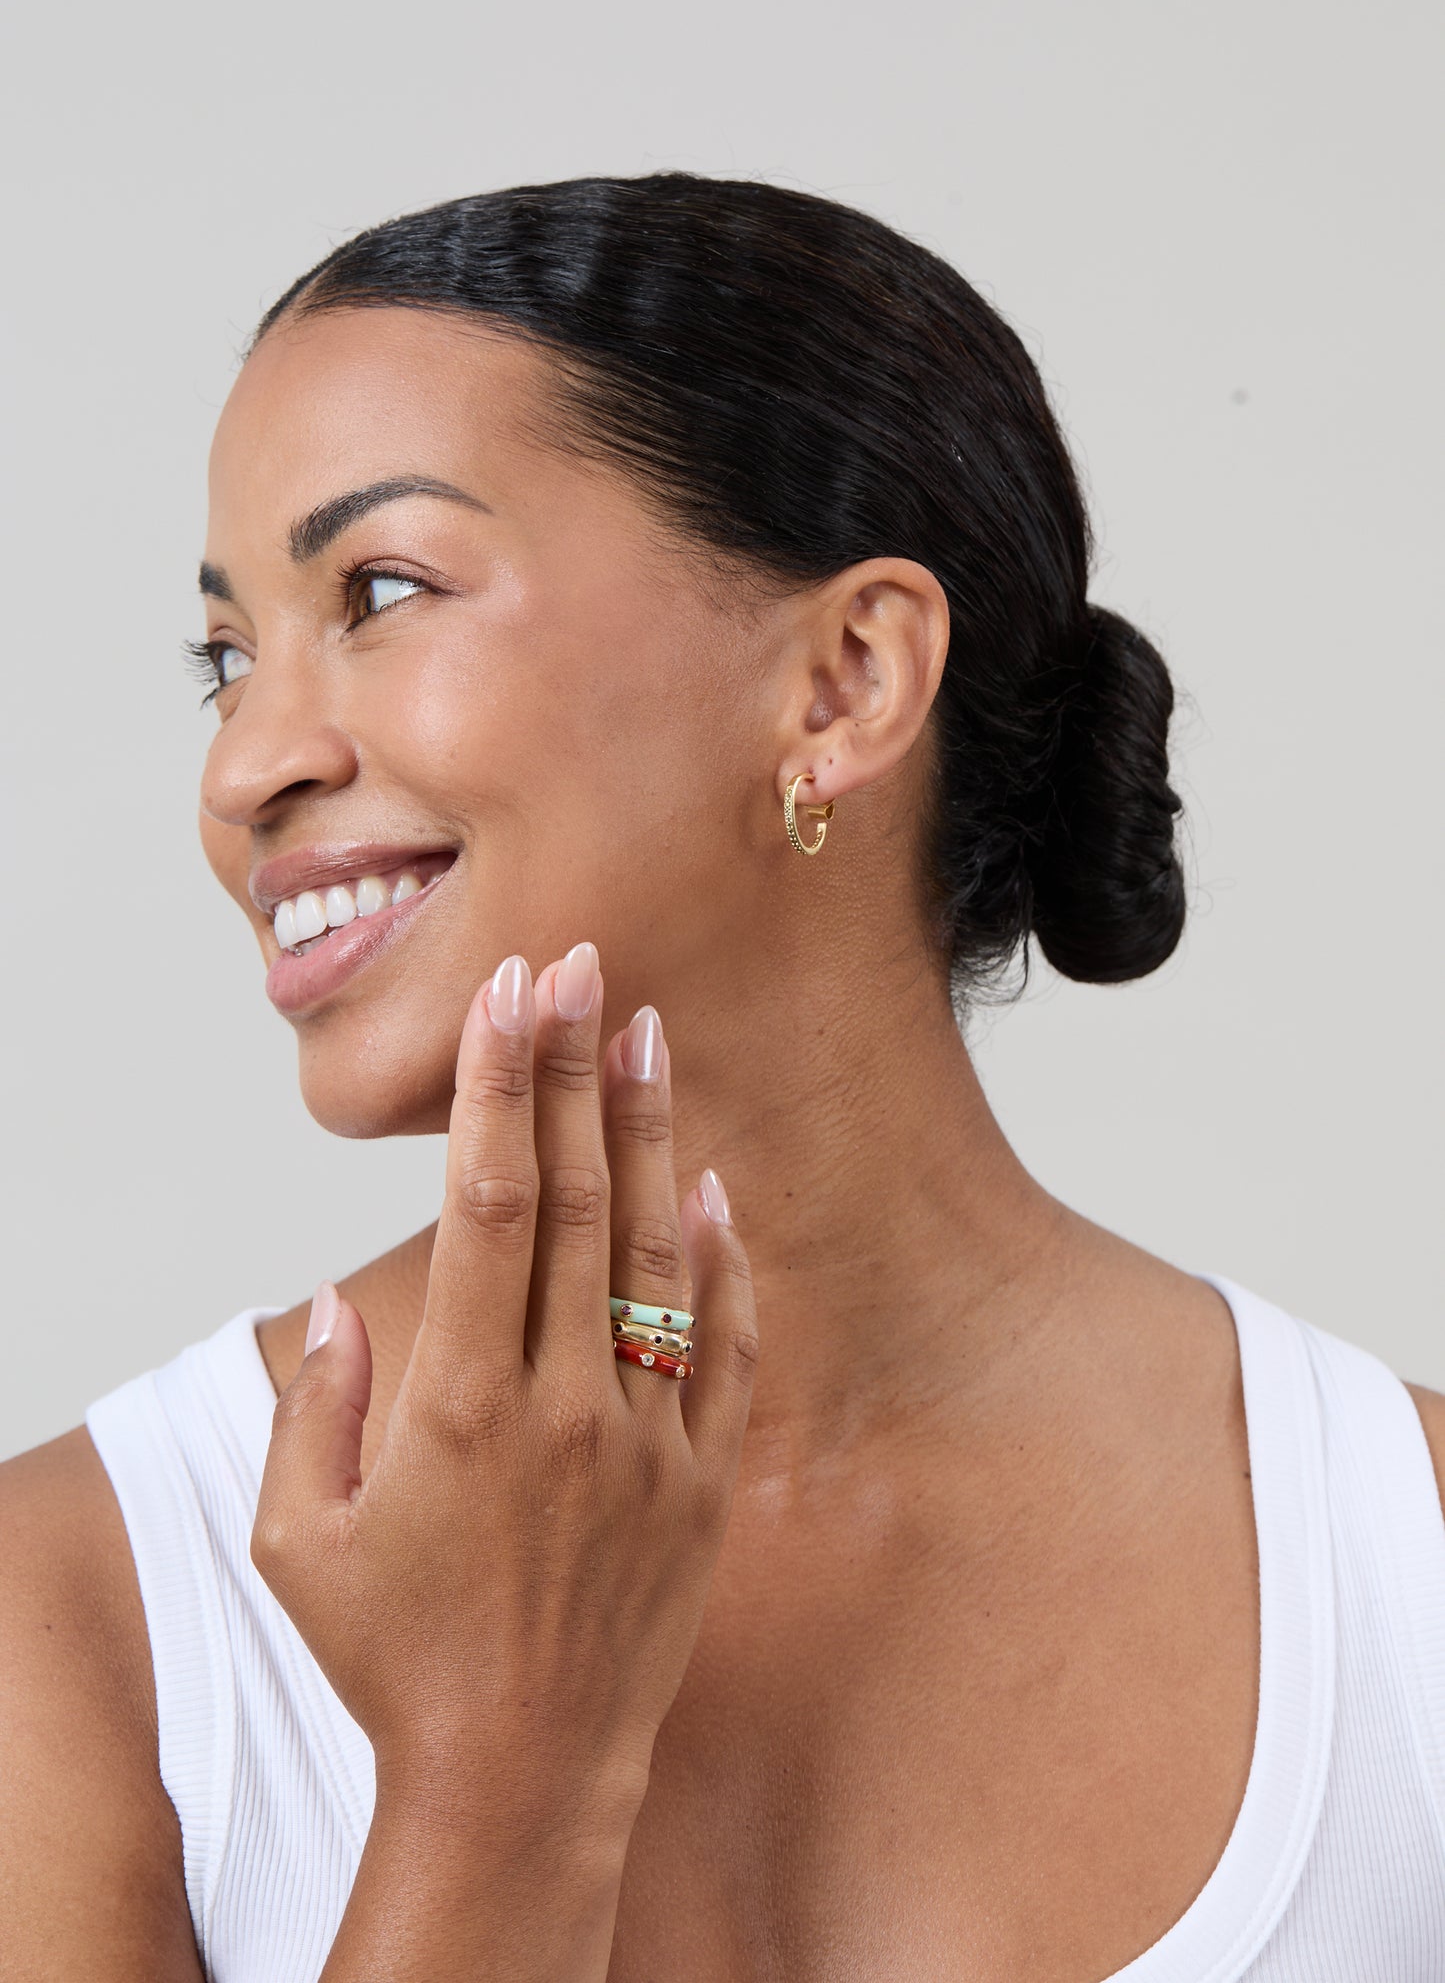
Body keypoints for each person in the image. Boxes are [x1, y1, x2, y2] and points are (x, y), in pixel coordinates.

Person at [2, 174, 1442, 1982]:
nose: (246, 767)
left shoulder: (1410, 1574)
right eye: (227, 658)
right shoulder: (73, 1616)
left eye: (378, 590)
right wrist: (495, 1784)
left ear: (842, 681)